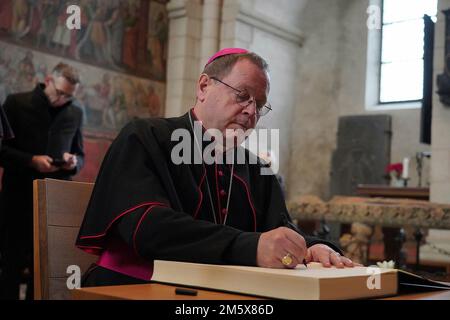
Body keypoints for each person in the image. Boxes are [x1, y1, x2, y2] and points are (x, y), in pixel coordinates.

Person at [76, 48, 354, 287]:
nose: (251, 112)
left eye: (259, 104)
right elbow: (147, 228)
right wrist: (248, 247)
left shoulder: (256, 168)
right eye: (242, 95)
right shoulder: (145, 136)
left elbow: (279, 229)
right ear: (203, 87)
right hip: (137, 286)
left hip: (221, 290)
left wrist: (312, 248)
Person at [0, 62, 85, 300]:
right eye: (60, 93)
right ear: (48, 80)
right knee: (11, 264)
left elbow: (81, 155)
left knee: (44, 267)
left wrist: (73, 162)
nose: (64, 100)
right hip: (18, 197)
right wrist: (31, 160)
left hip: (54, 203)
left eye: (70, 96)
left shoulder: (75, 112)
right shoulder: (16, 103)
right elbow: (1, 150)